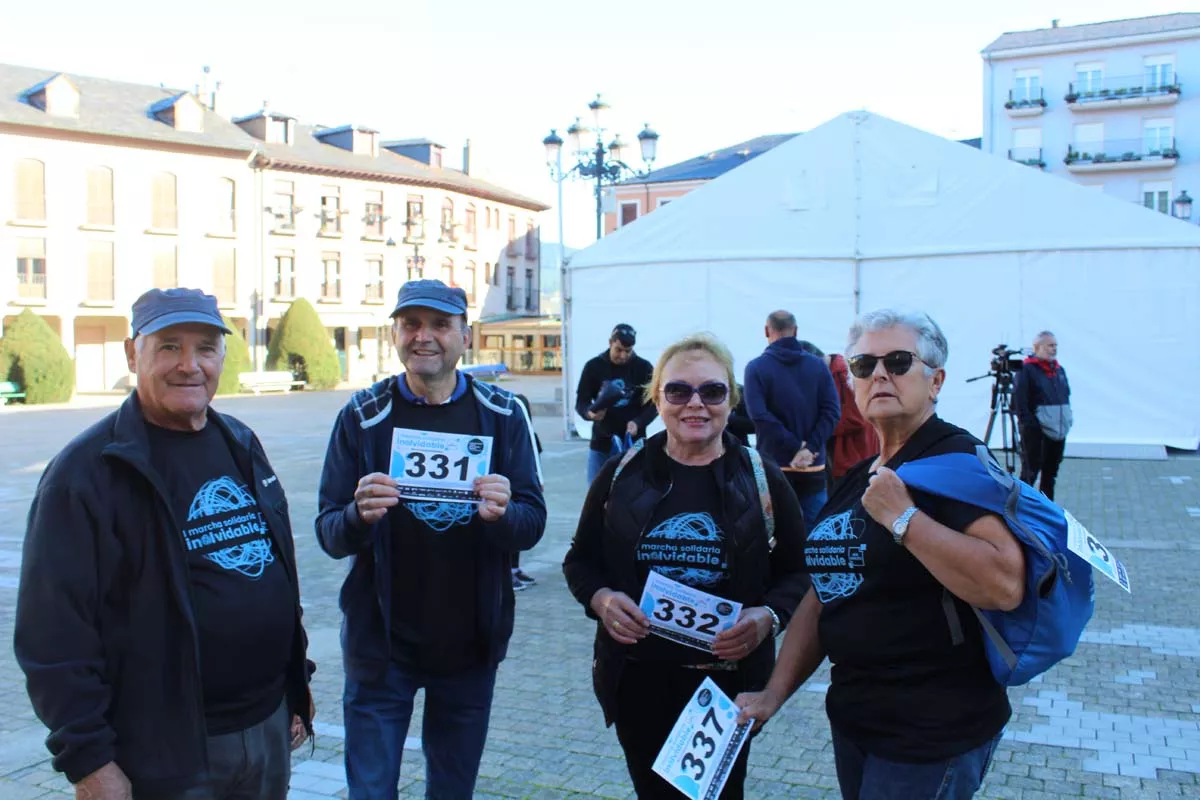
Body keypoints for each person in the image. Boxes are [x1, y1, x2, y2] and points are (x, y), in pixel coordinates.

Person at [15, 288, 314, 800]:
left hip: (266, 729)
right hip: (165, 750)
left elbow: (274, 573)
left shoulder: (240, 443)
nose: (189, 365)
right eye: (169, 346)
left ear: (223, 355)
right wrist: (91, 762)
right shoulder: (87, 473)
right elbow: (52, 637)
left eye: (205, 347)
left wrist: (295, 683)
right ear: (134, 355)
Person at [736, 309, 1026, 800]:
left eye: (897, 361)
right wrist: (773, 693)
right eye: (864, 365)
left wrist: (905, 521)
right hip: (857, 719)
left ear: (935, 381)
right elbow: (824, 592)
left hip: (931, 730)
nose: (879, 375)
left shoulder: (956, 461)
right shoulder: (863, 473)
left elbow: (1004, 584)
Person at [315, 279, 546, 800]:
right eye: (411, 324)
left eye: (440, 325)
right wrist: (357, 515)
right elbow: (328, 533)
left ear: (466, 335)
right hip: (382, 652)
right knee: (371, 793)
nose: (425, 337)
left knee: (451, 792)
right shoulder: (361, 414)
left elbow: (532, 524)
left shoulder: (505, 414)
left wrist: (503, 515)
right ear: (394, 333)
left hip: (469, 650)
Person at [563, 333, 809, 799]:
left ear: (731, 399)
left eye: (712, 391)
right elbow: (580, 561)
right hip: (638, 678)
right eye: (678, 391)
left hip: (724, 684)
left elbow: (798, 572)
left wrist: (768, 616)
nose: (695, 404)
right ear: (657, 398)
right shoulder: (620, 473)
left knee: (713, 795)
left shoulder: (761, 478)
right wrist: (603, 599)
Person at [744, 311, 841, 525]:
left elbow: (759, 415)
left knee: (774, 536)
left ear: (766, 331)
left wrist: (795, 446)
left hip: (774, 465)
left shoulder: (756, 368)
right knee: (815, 538)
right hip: (812, 467)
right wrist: (809, 449)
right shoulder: (817, 366)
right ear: (795, 331)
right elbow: (832, 412)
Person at [575, 323, 658, 484]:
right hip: (601, 442)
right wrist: (589, 413)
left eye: (628, 351)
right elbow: (581, 402)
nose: (623, 356)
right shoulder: (594, 367)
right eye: (618, 350)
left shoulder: (644, 368)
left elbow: (655, 404)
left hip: (633, 445)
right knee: (596, 495)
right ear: (610, 343)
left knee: (633, 492)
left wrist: (638, 422)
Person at [796, 341, 880, 483]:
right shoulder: (827, 375)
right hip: (842, 458)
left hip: (856, 457)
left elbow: (856, 418)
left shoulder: (844, 374)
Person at [1015, 331, 1072, 501]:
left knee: (1050, 474)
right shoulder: (1027, 370)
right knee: (1030, 473)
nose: (1054, 349)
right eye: (1050, 345)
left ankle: (1047, 509)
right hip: (1036, 432)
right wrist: (1031, 426)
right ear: (1037, 347)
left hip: (1058, 431)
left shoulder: (1059, 370)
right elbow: (1020, 400)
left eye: (1055, 345)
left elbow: (1066, 395)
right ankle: (1021, 508)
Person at [511, 392, 544, 591]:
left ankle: (515, 569)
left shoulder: (530, 436)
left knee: (517, 531)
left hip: (523, 490)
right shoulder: (506, 430)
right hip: (507, 491)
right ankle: (508, 571)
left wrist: (539, 481)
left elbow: (535, 460)